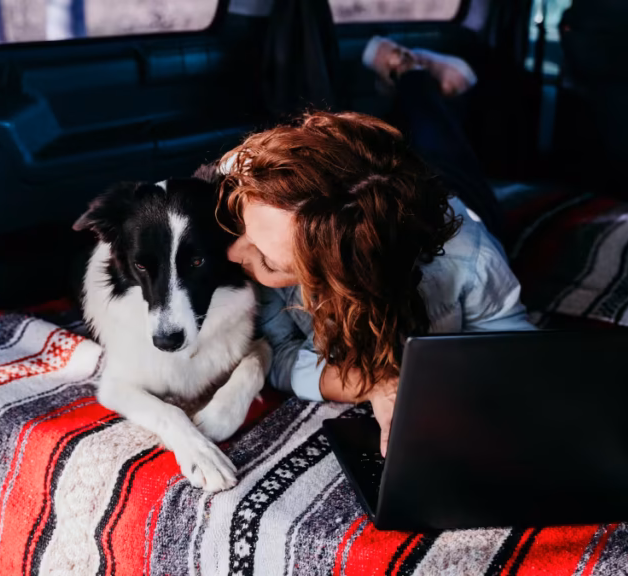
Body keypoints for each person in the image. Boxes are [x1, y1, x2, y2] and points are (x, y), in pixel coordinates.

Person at [218, 37, 536, 457]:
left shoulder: (471, 260)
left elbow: (516, 351)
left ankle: (413, 70)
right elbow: (277, 355)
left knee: (442, 136)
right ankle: (410, 76)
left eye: (268, 263)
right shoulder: (257, 201)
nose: (233, 255)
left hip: (455, 197)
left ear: (348, 282)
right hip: (383, 183)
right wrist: (375, 383)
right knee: (417, 136)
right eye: (242, 225)